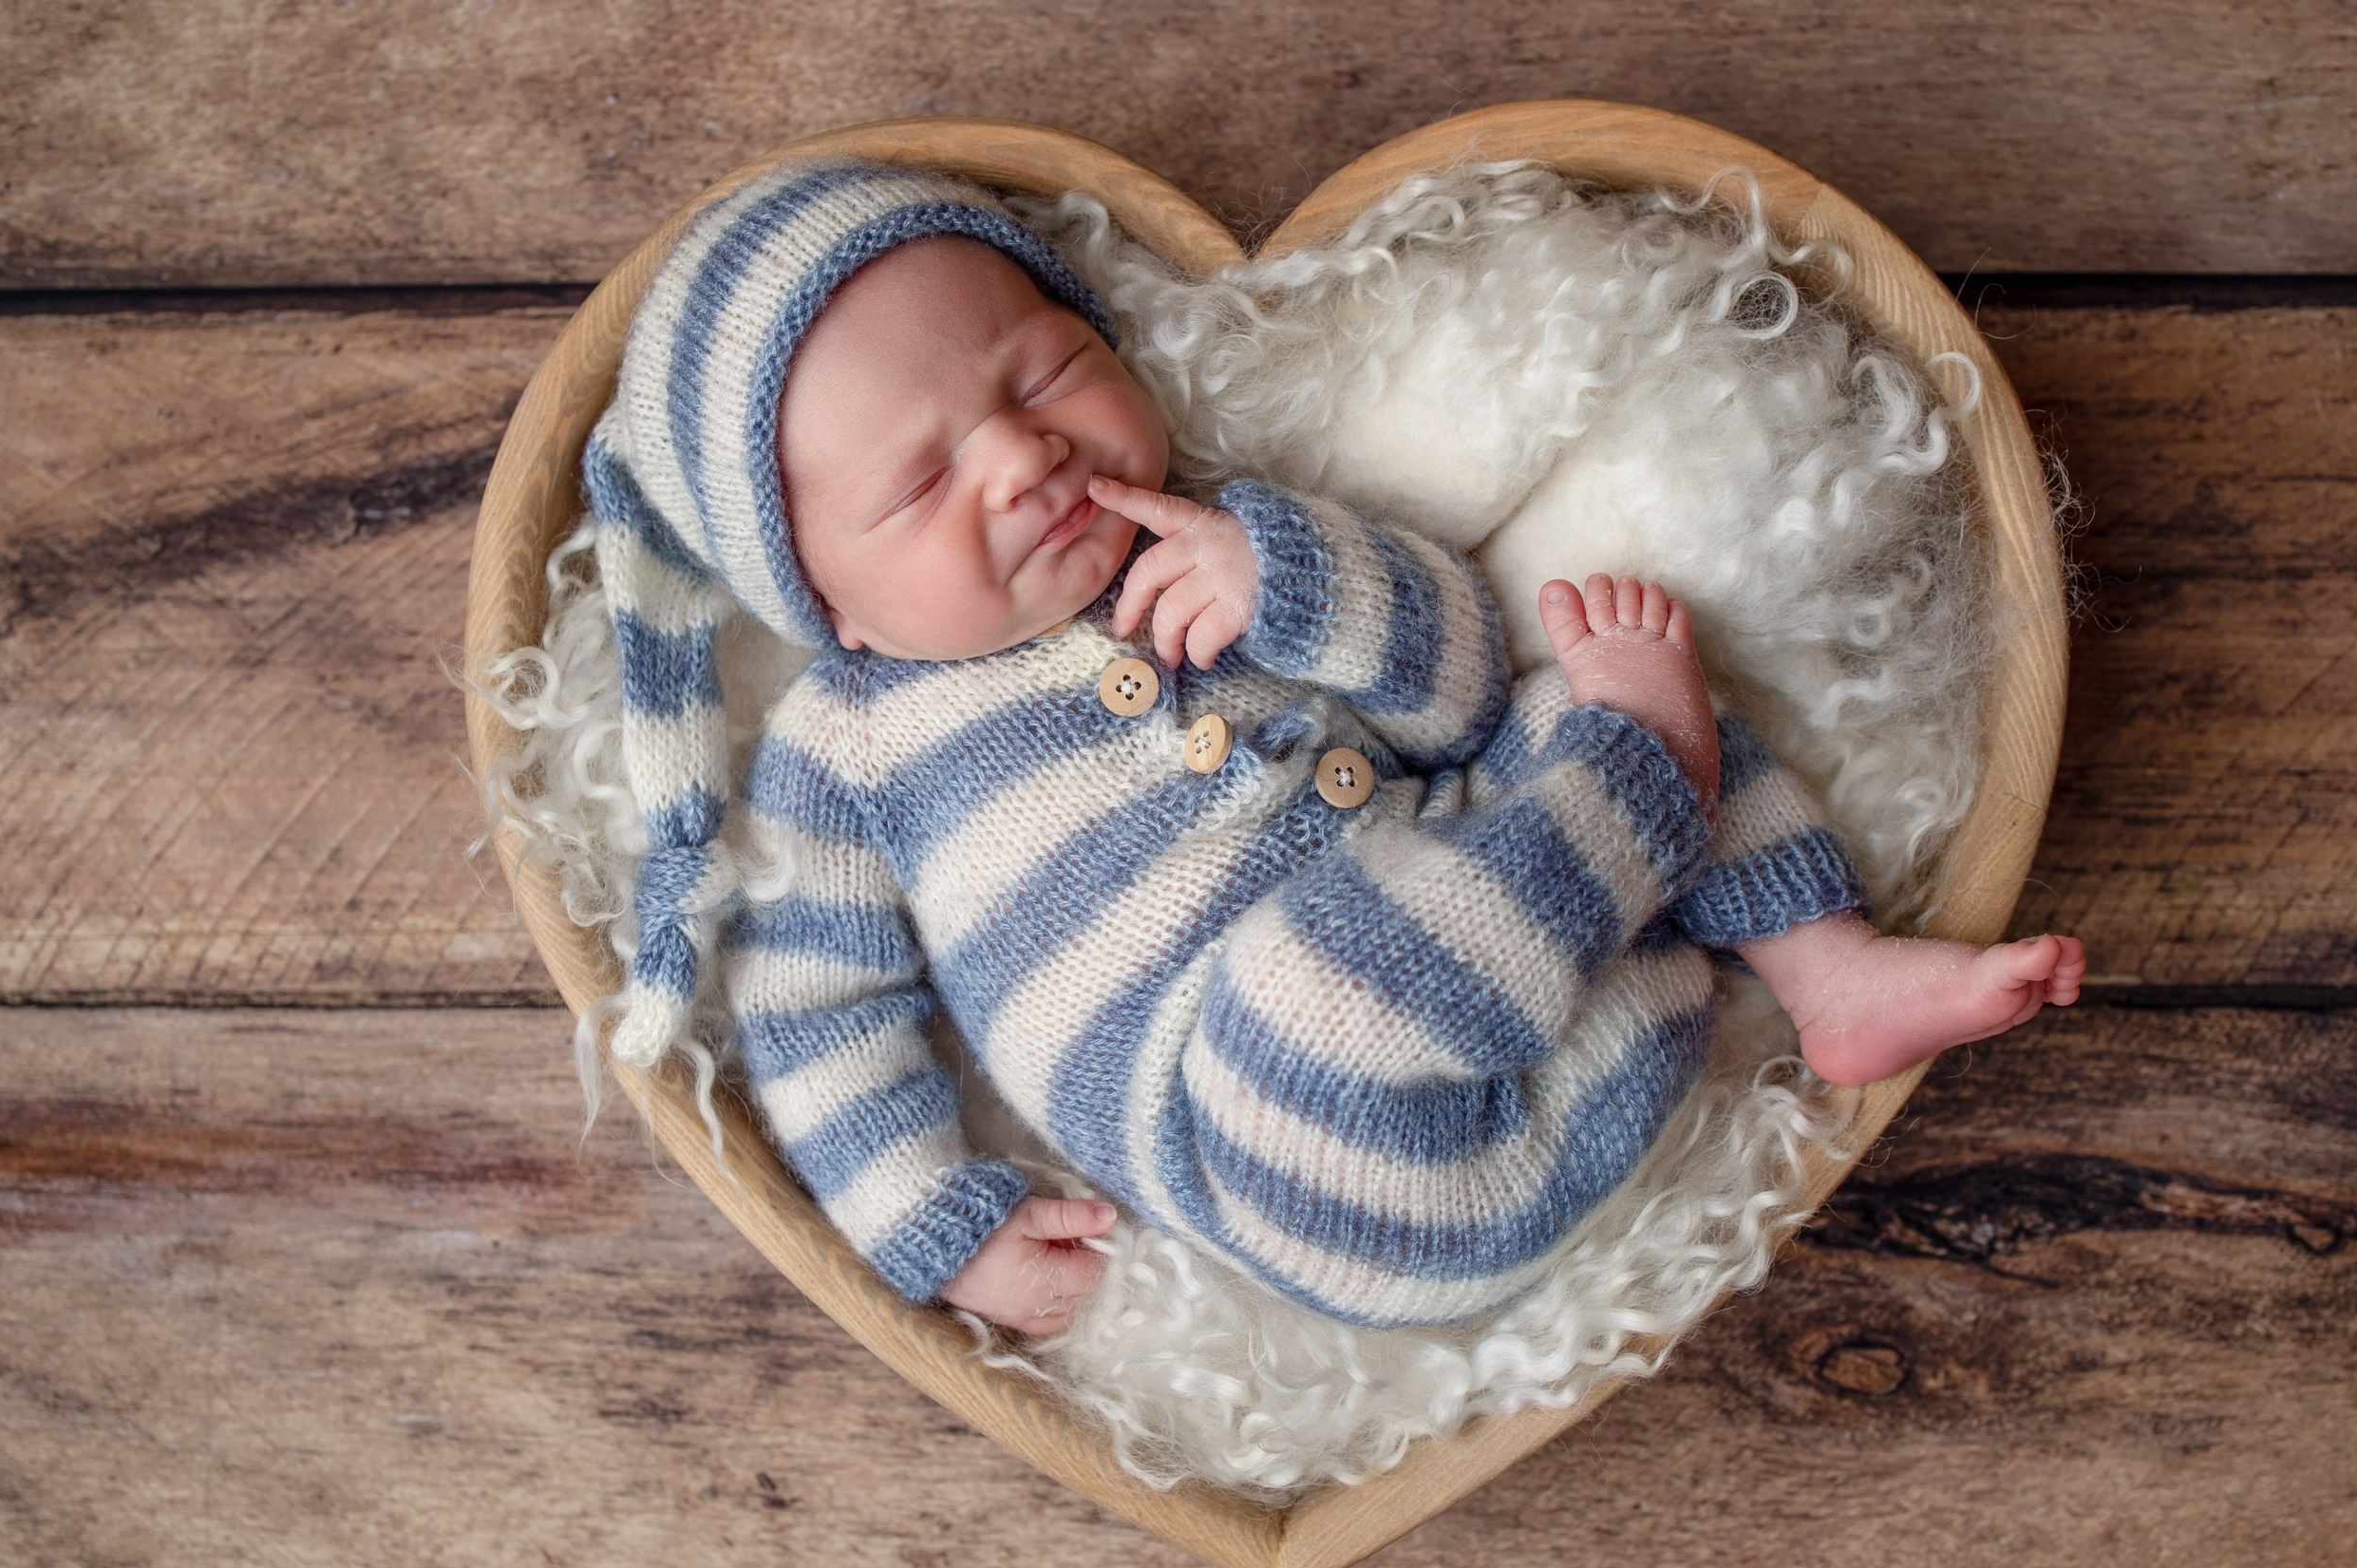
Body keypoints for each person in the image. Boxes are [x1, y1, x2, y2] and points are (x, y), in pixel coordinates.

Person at [585, 162, 2084, 1336]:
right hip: (1303, 1156)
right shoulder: (846, 747)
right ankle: (1653, 781)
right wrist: (938, 1223)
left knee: (1579, 689)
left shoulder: (1227, 538)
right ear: (819, 602)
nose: (1022, 458)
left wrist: (1291, 582)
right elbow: (813, 1007)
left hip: (1582, 1003)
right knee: (1325, 972)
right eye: (918, 484)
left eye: (1041, 378)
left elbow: (1463, 701)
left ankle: (1826, 972)